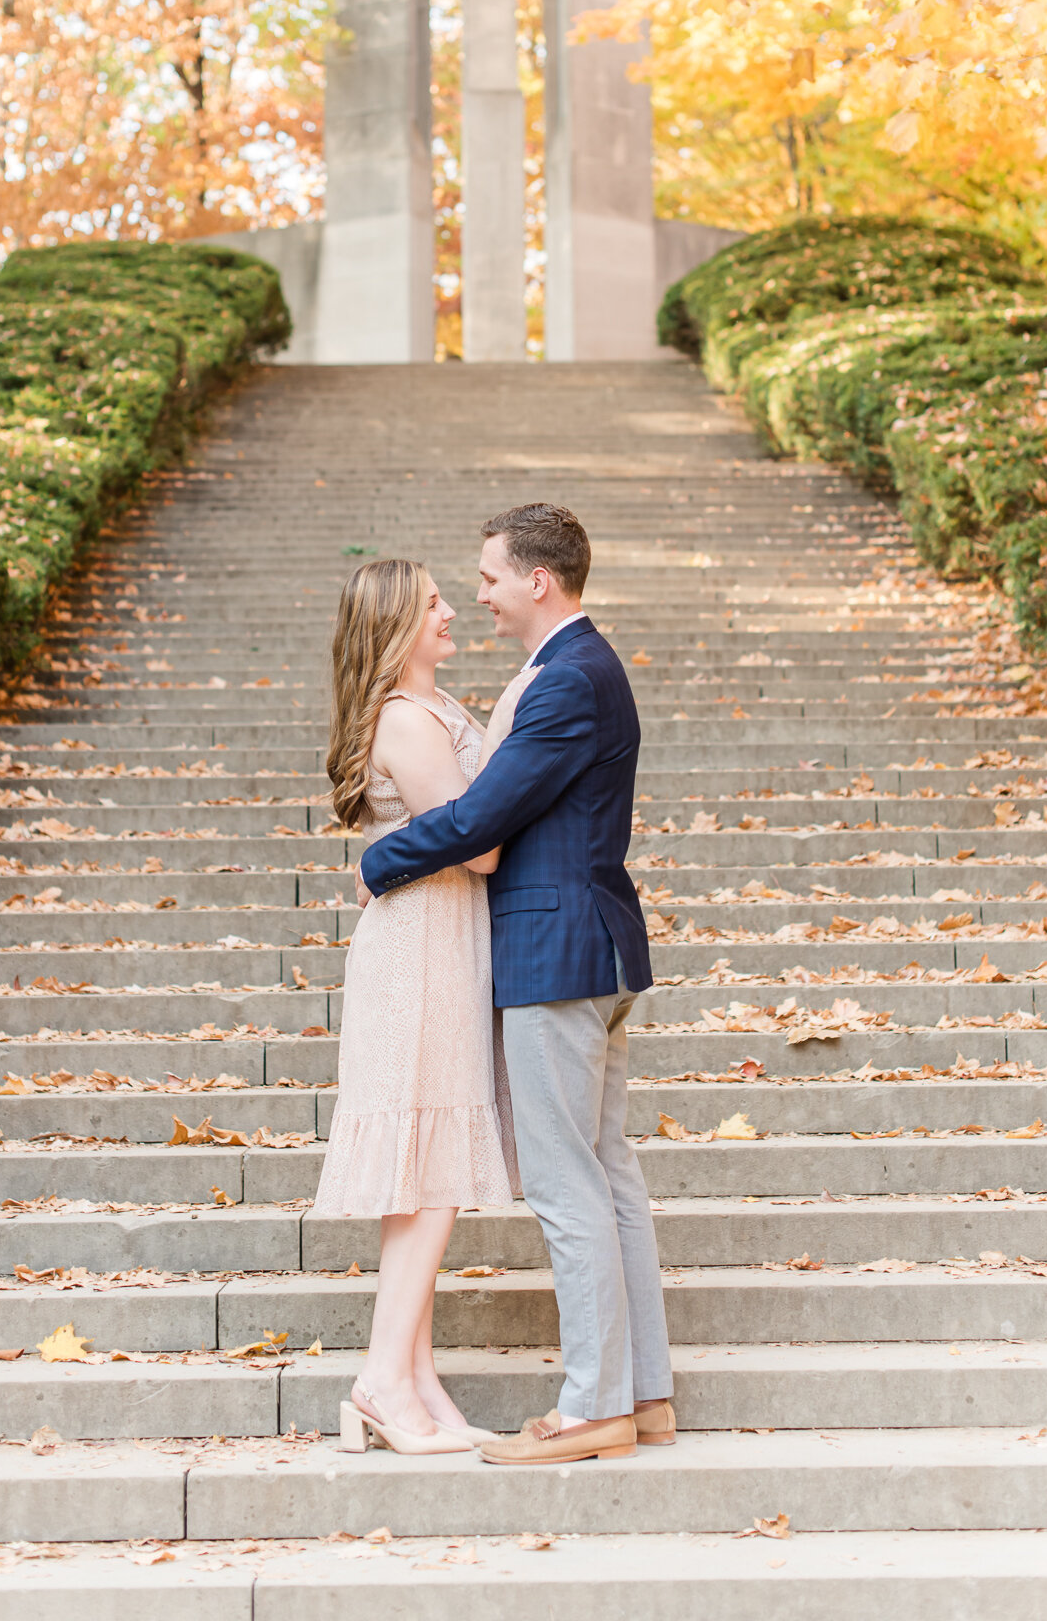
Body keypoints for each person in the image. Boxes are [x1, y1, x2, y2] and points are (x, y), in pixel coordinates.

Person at [358, 503, 675, 1465]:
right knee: (609, 1177)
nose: (481, 595)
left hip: (556, 955)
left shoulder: (568, 676)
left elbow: (478, 821)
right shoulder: (566, 668)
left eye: (490, 576)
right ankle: (641, 1394)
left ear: (538, 580)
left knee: (568, 1182)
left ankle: (592, 1408)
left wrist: (377, 862)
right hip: (590, 948)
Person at [313, 556, 519, 1456]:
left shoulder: (430, 710)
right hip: (422, 949)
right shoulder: (405, 717)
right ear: (396, 623)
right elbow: (475, 849)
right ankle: (379, 1379)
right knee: (429, 1173)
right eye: (432, 601)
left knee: (420, 1174)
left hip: (440, 941)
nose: (449, 610)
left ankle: (415, 1375)